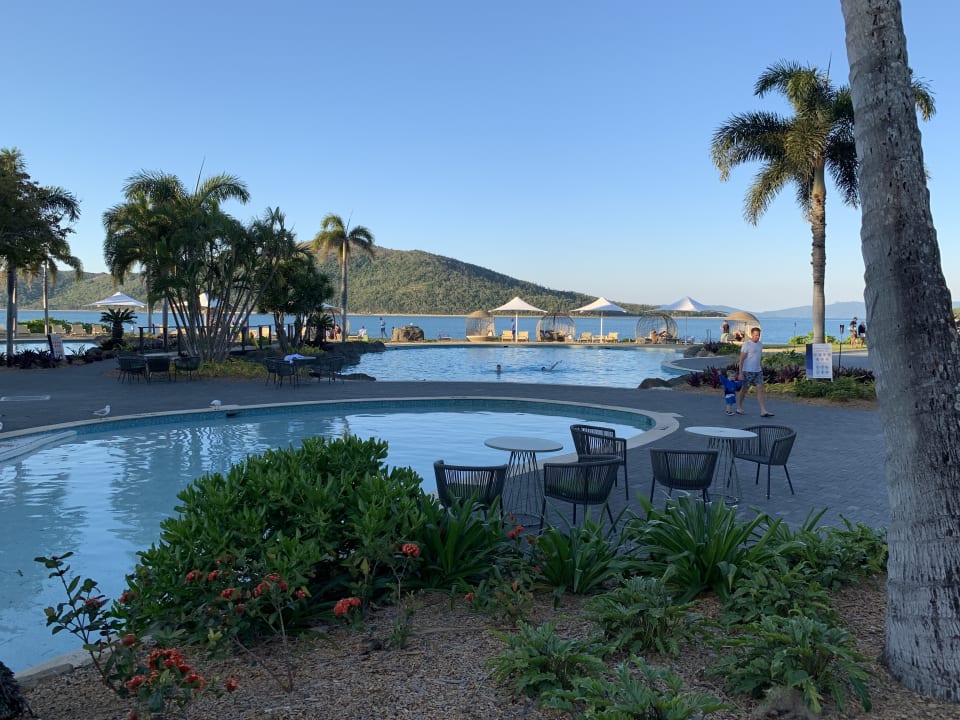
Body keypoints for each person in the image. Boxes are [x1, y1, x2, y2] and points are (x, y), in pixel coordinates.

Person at [737, 327, 773, 417]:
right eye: (756, 335)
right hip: (747, 371)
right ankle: (739, 407)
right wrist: (740, 373)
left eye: (759, 335)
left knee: (760, 389)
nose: (758, 337)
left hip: (758, 371)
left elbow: (758, 358)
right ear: (752, 334)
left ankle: (763, 410)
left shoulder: (760, 344)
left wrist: (760, 367)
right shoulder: (747, 345)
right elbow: (741, 360)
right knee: (744, 390)